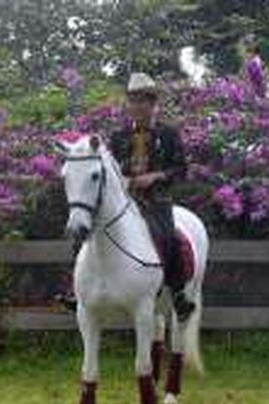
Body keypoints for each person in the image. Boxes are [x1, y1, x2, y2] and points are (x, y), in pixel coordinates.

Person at [60, 72, 194, 317]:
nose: (137, 107)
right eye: (133, 101)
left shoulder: (168, 134)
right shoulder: (119, 136)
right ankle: (75, 290)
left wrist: (155, 177)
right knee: (83, 234)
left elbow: (181, 169)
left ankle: (177, 293)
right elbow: (110, 170)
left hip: (156, 201)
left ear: (153, 104)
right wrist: (124, 181)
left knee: (170, 237)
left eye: (143, 101)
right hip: (124, 201)